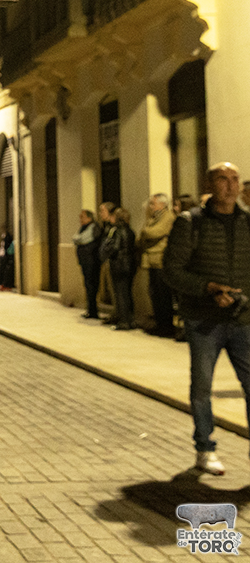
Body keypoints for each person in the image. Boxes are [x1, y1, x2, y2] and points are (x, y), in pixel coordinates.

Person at [164, 162, 250, 476]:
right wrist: (208, 289)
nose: (230, 186)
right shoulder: (190, 222)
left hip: (244, 319)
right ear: (210, 184)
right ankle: (205, 448)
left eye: (234, 179)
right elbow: (172, 270)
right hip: (204, 320)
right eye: (222, 180)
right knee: (202, 387)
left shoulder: (247, 222)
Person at [136, 193, 176, 337]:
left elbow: (154, 232)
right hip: (151, 260)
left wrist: (145, 231)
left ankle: (166, 326)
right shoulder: (153, 218)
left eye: (153, 204)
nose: (150, 207)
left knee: (163, 294)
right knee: (154, 294)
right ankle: (159, 323)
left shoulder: (167, 217)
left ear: (162, 204)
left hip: (160, 260)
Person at [100, 207, 136, 330]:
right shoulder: (130, 230)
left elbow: (115, 247)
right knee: (127, 293)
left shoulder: (117, 230)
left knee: (120, 293)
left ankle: (123, 321)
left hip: (119, 265)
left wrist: (106, 252)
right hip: (129, 265)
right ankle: (130, 319)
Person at [72, 210, 102, 319]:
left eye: (82, 217)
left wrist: (77, 239)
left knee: (92, 286)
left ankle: (93, 311)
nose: (80, 219)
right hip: (85, 261)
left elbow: (81, 239)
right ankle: (90, 309)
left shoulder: (94, 227)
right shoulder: (83, 228)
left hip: (92, 261)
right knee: (88, 286)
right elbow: (75, 238)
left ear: (89, 218)